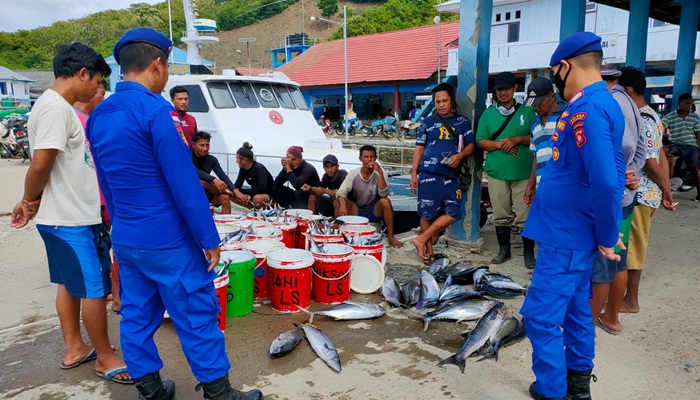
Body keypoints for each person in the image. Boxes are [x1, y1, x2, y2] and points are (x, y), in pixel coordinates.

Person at [85, 27, 263, 400]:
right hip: (168, 239)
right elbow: (184, 185)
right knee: (196, 314)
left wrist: (120, 227)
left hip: (128, 237)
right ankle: (219, 393)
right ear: (158, 64)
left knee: (135, 314)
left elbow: (107, 186)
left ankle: (151, 391)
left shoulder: (99, 116)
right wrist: (209, 238)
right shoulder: (158, 112)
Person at [10, 42, 131, 384]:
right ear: (82, 73)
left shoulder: (54, 107)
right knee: (94, 288)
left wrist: (30, 201)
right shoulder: (55, 109)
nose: (97, 90)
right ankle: (105, 357)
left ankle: (75, 348)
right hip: (71, 219)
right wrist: (28, 199)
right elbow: (41, 163)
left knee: (69, 283)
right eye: (96, 82)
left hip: (65, 216)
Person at [520, 32, 626, 400]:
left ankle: (552, 391)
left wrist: (607, 236)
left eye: (556, 73)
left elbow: (607, 182)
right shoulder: (597, 102)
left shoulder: (588, 109)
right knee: (576, 311)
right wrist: (605, 230)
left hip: (566, 236)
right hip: (572, 231)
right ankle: (578, 387)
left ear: (564, 66)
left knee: (540, 316)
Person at [589, 65, 647, 336]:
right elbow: (642, 150)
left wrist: (619, 175)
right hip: (625, 194)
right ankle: (611, 317)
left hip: (613, 196)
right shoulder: (632, 104)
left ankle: (587, 325)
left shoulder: (610, 102)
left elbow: (620, 147)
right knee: (618, 258)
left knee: (604, 260)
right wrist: (630, 174)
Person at [618, 67, 675, 314]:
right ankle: (625, 298)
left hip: (640, 193)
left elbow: (651, 162)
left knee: (632, 248)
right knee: (632, 245)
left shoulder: (640, 117)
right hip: (650, 193)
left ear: (628, 90)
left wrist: (663, 186)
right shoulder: (653, 115)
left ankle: (631, 301)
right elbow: (661, 153)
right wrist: (666, 189)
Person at [476, 71, 537, 267]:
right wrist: (501, 144)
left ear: (514, 89)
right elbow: (480, 141)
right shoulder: (488, 114)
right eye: (499, 90)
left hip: (523, 172)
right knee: (500, 213)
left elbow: (537, 136)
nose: (503, 93)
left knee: (525, 214)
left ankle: (528, 252)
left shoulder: (527, 112)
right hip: (497, 172)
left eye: (506, 89)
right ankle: (505, 250)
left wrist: (517, 139)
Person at [409, 82, 475, 263]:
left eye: (444, 101)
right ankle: (428, 250)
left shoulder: (463, 122)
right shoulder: (427, 122)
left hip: (451, 175)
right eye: (437, 101)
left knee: (454, 212)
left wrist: (460, 156)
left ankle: (421, 239)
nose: (441, 105)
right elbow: (419, 149)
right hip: (428, 173)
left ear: (451, 101)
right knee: (426, 213)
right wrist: (414, 174)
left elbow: (471, 145)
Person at [74, 80, 122, 312]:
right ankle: (113, 294)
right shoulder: (83, 121)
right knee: (105, 251)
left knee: (110, 248)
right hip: (95, 202)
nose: (102, 100)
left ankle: (114, 292)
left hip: (100, 200)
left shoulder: (86, 120)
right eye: (101, 94)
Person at [337, 145, 403, 248]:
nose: (369, 160)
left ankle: (391, 236)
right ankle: (339, 235)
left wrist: (380, 171)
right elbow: (341, 192)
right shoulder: (353, 173)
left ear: (375, 158)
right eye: (366, 157)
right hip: (357, 209)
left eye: (372, 157)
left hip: (373, 209)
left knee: (386, 201)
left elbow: (383, 194)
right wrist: (343, 205)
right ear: (360, 159)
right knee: (338, 202)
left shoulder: (380, 173)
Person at [523, 76, 562, 214]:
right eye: (533, 104)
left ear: (553, 96)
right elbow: (536, 157)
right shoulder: (535, 125)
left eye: (539, 103)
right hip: (542, 188)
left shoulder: (565, 118)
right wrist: (530, 186)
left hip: (562, 187)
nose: (536, 107)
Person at [662, 93, 700, 201]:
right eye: (686, 103)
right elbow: (661, 127)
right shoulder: (670, 116)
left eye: (690, 103)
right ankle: (665, 184)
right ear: (680, 103)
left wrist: (697, 147)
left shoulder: (694, 117)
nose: (689, 105)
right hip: (675, 144)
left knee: (694, 166)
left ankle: (699, 192)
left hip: (690, 144)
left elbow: (698, 133)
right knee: (664, 157)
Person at [191, 131, 236, 214]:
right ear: (193, 145)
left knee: (225, 198)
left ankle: (227, 224)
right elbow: (194, 171)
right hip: (192, 194)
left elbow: (223, 176)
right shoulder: (188, 157)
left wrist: (235, 190)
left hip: (208, 194)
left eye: (207, 145)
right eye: (202, 145)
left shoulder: (212, 159)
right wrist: (214, 179)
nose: (205, 149)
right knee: (202, 182)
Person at [232, 142, 273, 208]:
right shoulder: (243, 169)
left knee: (257, 198)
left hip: (267, 194)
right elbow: (237, 185)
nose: (236, 161)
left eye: (237, 159)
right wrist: (232, 189)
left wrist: (240, 192)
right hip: (254, 194)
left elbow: (261, 189)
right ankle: (251, 208)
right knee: (230, 193)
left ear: (244, 160)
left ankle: (257, 209)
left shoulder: (259, 168)